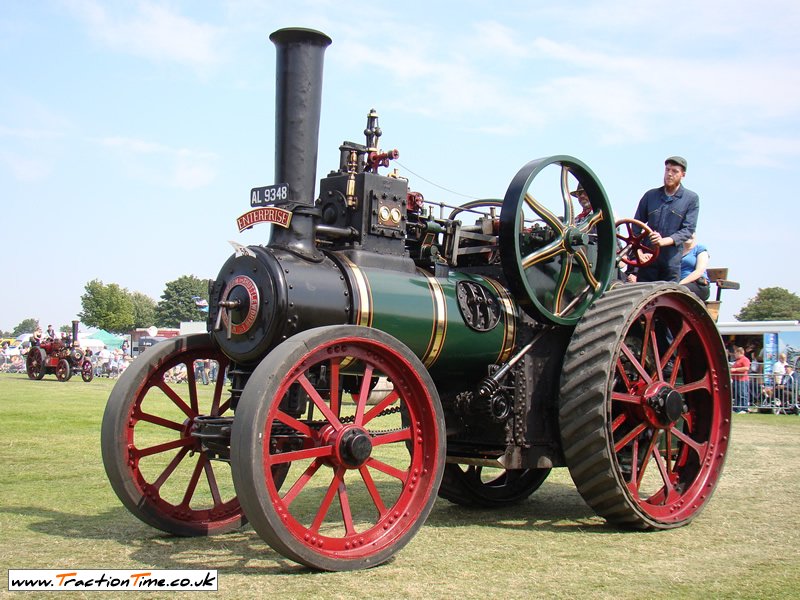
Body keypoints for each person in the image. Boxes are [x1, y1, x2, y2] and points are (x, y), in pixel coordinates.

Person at [633, 156, 699, 282]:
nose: (669, 174)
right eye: (667, 170)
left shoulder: (691, 199)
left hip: (670, 262)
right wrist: (639, 253)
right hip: (648, 259)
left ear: (683, 175)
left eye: (674, 171)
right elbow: (636, 225)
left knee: (667, 297)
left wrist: (663, 241)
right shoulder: (650, 195)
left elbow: (688, 230)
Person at [679, 235, 710, 301]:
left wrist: (679, 284)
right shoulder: (676, 251)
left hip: (698, 285)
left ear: (695, 234)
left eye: (691, 232)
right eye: (686, 233)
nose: (688, 235)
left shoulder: (700, 249)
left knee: (676, 291)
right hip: (677, 285)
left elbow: (699, 271)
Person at [730, 346, 751, 413]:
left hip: (742, 380)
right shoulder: (737, 361)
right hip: (736, 380)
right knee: (737, 394)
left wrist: (735, 369)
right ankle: (737, 409)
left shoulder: (745, 359)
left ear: (740, 353)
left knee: (742, 394)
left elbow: (746, 368)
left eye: (736, 353)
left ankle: (744, 409)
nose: (735, 355)